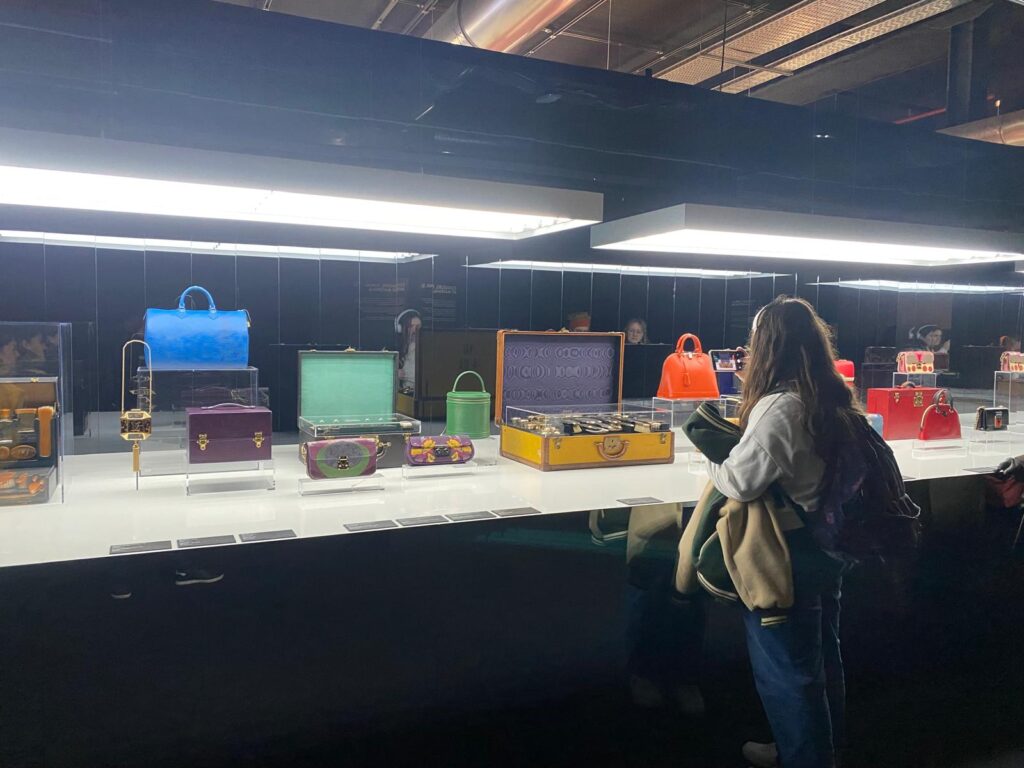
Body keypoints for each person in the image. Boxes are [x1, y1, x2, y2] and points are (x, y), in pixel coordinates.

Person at [705, 297, 864, 768]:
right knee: (822, 661)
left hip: (786, 556)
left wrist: (710, 455)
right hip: (826, 545)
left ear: (768, 346)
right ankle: (817, 748)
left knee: (787, 674)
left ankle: (805, 757)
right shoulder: (831, 396)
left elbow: (739, 480)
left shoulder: (781, 407)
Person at [396, 309, 422, 392]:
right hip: (404, 392)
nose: (415, 330)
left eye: (418, 326)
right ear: (401, 328)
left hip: (420, 392)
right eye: (411, 326)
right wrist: (394, 373)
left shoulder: (427, 347)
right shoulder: (395, 347)